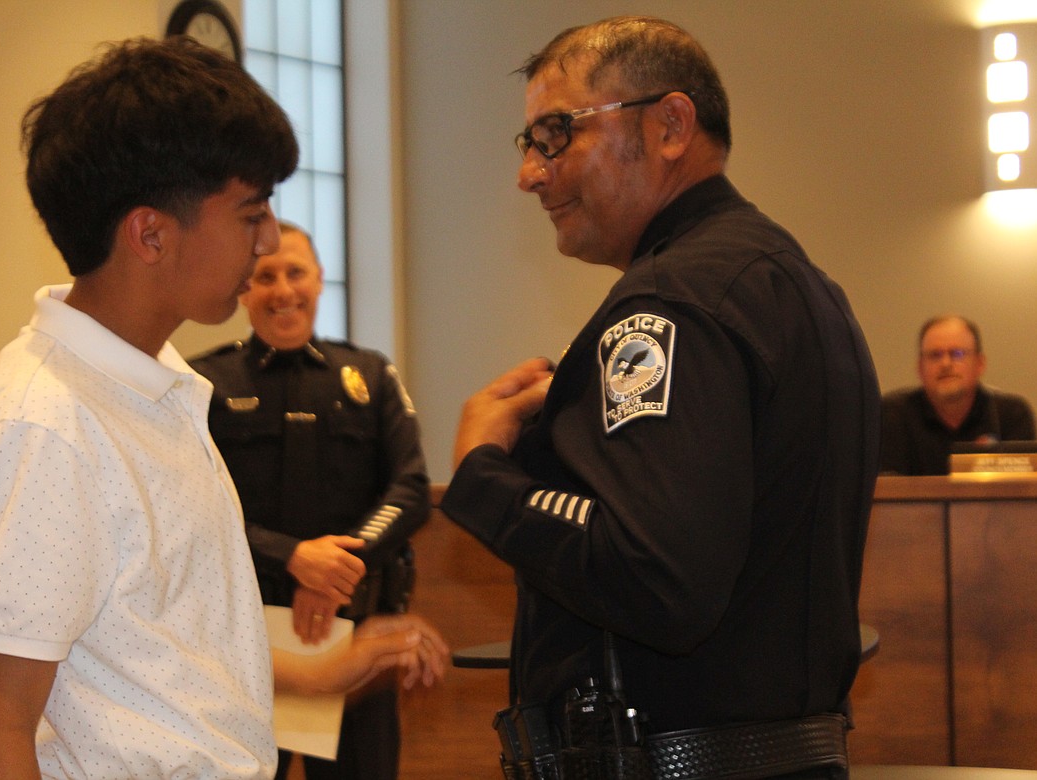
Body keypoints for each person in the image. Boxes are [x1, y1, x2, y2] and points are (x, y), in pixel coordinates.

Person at [0, 37, 445, 780]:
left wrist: (319, 673)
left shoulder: (161, 385)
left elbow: (159, 651)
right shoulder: (46, 423)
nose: (270, 239)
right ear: (151, 232)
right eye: (251, 214)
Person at [440, 16, 880, 779]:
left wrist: (486, 477)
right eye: (529, 144)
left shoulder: (671, 302)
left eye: (555, 134)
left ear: (671, 125)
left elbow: (653, 572)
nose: (530, 174)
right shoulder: (798, 285)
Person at [191, 221, 430, 780]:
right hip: (245, 647)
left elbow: (411, 490)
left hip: (355, 642)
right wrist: (293, 558)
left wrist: (338, 569)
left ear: (319, 280)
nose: (283, 290)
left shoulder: (371, 375)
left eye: (295, 272)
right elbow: (196, 509)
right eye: (263, 276)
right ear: (244, 290)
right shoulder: (205, 382)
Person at [880, 315, 1036, 475]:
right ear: (920, 367)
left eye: (957, 354)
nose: (945, 364)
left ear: (980, 364)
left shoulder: (1011, 415)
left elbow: (1022, 489)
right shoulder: (892, 415)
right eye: (935, 355)